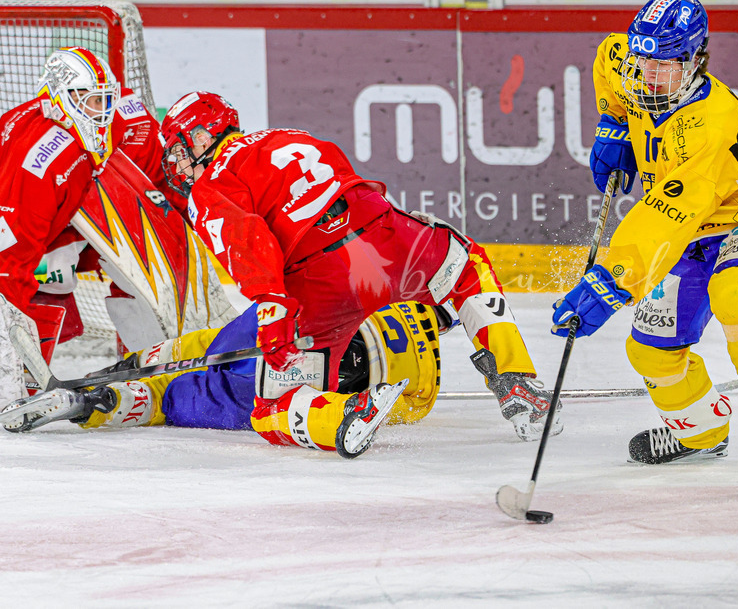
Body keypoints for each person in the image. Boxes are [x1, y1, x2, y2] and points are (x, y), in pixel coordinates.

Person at [158, 91, 561, 454]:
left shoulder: (209, 184)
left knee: (268, 409)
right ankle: (516, 380)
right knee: (467, 267)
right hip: (385, 236)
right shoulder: (287, 134)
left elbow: (246, 240)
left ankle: (346, 412)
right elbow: (350, 189)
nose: (177, 165)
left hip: (320, 280)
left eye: (178, 150)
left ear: (201, 136)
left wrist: (273, 306)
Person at [552, 0, 738, 497]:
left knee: (737, 292)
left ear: (697, 61)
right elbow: (608, 58)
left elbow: (663, 218)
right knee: (650, 352)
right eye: (643, 60)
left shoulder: (709, 126)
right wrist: (612, 123)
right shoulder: (628, 64)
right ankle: (700, 433)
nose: (648, 75)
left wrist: (610, 282)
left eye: (665, 66)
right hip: (693, 227)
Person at [0, 300, 452, 457]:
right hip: (340, 329)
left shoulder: (191, 380)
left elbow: (157, 394)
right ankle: (93, 401)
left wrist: (96, 400)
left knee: (261, 413)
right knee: (203, 374)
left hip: (296, 364)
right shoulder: (422, 391)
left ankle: (339, 417)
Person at [0, 47, 162, 406]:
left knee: (79, 268)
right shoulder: (40, 165)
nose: (102, 112)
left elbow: (137, 128)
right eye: (91, 101)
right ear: (61, 96)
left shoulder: (119, 123)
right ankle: (19, 374)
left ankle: (159, 355)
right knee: (49, 273)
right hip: (23, 219)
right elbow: (12, 256)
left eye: (106, 100)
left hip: (56, 215)